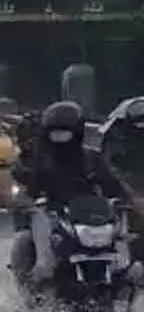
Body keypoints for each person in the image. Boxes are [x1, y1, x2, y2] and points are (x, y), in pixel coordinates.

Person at [10, 100, 137, 282]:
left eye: (64, 133)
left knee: (124, 240)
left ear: (77, 132)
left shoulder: (92, 158)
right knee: (35, 237)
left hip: (91, 216)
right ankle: (41, 269)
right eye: (56, 133)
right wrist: (26, 202)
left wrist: (126, 201)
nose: (60, 138)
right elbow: (30, 189)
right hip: (55, 214)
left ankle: (124, 268)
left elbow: (113, 184)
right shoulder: (42, 162)